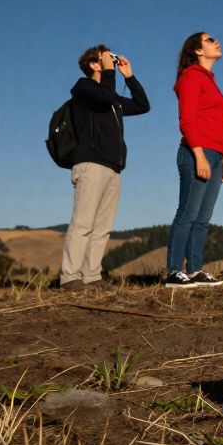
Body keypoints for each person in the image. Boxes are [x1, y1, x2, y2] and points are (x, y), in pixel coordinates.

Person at [60, 45, 150, 290]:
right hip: (90, 163)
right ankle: (70, 277)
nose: (112, 60)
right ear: (93, 63)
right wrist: (110, 72)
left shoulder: (113, 100)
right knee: (83, 223)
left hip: (113, 166)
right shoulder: (83, 88)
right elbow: (103, 97)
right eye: (107, 57)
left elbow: (143, 106)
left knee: (102, 227)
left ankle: (92, 276)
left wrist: (129, 76)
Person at [165, 32, 223, 289]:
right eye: (209, 39)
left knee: (203, 217)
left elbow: (216, 124)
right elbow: (188, 120)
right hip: (197, 153)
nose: (216, 41)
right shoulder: (191, 76)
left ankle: (194, 270)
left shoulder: (211, 81)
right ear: (197, 51)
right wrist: (199, 153)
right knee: (187, 213)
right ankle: (173, 271)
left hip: (216, 155)